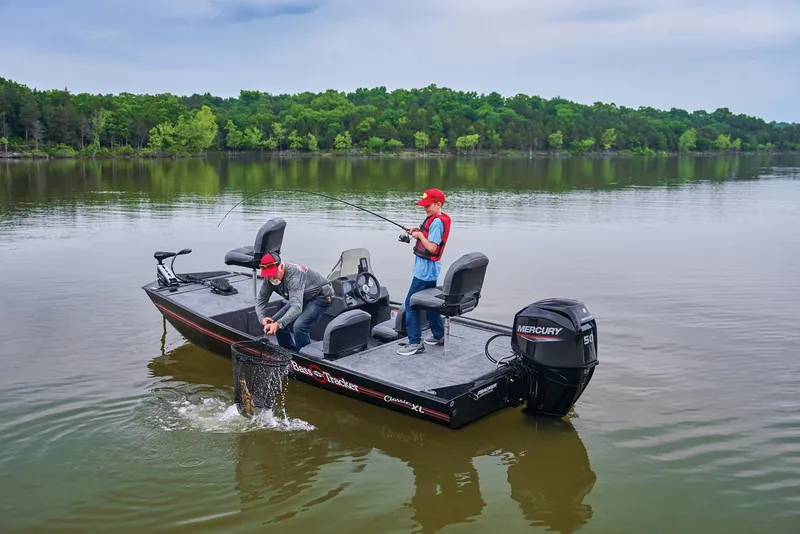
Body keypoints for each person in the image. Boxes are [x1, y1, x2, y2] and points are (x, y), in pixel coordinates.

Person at [397, 188, 451, 356]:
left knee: (411, 305)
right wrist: (417, 231)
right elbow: (428, 238)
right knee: (429, 305)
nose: (425, 208)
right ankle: (439, 335)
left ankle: (415, 343)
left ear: (438, 204)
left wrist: (420, 236)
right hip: (431, 271)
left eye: (428, 205)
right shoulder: (436, 218)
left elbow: (432, 247)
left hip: (424, 273)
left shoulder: (436, 222)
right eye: (424, 205)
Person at [255, 252, 334, 352]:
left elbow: (297, 308)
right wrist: (262, 318)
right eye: (268, 275)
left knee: (299, 326)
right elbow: (261, 301)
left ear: (281, 266)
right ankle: (289, 352)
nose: (272, 278)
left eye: (273, 274)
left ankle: (306, 359)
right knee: (275, 321)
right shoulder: (269, 280)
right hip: (303, 295)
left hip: (321, 295)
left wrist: (278, 324)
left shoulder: (293, 277)